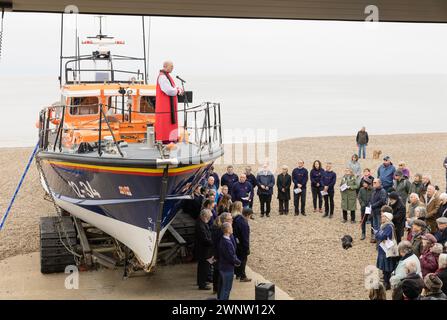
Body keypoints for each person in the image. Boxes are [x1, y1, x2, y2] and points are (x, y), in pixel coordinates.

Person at [155, 60, 184, 143]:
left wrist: (177, 89)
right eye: (171, 66)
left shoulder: (166, 76)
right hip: (165, 106)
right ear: (165, 66)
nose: (172, 68)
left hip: (169, 106)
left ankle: (172, 138)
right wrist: (177, 90)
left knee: (170, 123)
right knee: (165, 123)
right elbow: (168, 91)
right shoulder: (162, 77)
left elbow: (171, 88)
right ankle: (166, 139)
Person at [210, 212, 234, 295]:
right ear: (225, 220)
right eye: (230, 219)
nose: (232, 220)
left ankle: (216, 288)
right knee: (220, 274)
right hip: (221, 257)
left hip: (219, 255)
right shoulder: (221, 231)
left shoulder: (219, 229)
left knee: (217, 272)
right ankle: (218, 290)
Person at [218, 222, 241, 300]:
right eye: (231, 227)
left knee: (224, 288)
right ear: (227, 229)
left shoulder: (223, 239)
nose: (232, 228)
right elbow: (231, 256)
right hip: (227, 268)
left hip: (223, 267)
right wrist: (238, 262)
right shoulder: (227, 242)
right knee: (226, 289)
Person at [374, 211, 397, 290]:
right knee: (384, 267)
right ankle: (385, 281)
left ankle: (387, 283)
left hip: (387, 249)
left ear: (387, 218)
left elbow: (382, 236)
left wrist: (377, 234)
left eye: (383, 217)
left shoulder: (389, 226)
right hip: (383, 249)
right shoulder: (383, 225)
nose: (381, 218)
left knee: (387, 267)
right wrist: (378, 234)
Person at [195, 209, 214, 290]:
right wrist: (213, 242)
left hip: (204, 250)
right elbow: (205, 239)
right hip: (203, 250)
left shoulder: (202, 223)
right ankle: (202, 284)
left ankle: (202, 282)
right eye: (208, 217)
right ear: (204, 216)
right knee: (203, 268)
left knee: (203, 267)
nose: (209, 218)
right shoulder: (200, 225)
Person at [233, 207, 252, 282]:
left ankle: (237, 273)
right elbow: (245, 237)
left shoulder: (238, 219)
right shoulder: (244, 223)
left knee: (238, 258)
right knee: (243, 260)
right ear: (247, 215)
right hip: (242, 245)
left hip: (237, 243)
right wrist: (247, 248)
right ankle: (242, 275)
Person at [369, 179, 388, 243]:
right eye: (373, 182)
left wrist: (373, 205)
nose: (373, 184)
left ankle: (380, 239)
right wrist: (370, 204)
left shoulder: (382, 191)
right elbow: (372, 199)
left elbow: (382, 201)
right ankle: (376, 237)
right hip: (374, 211)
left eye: (375, 182)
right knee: (375, 225)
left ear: (379, 183)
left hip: (379, 211)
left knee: (380, 225)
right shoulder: (374, 190)